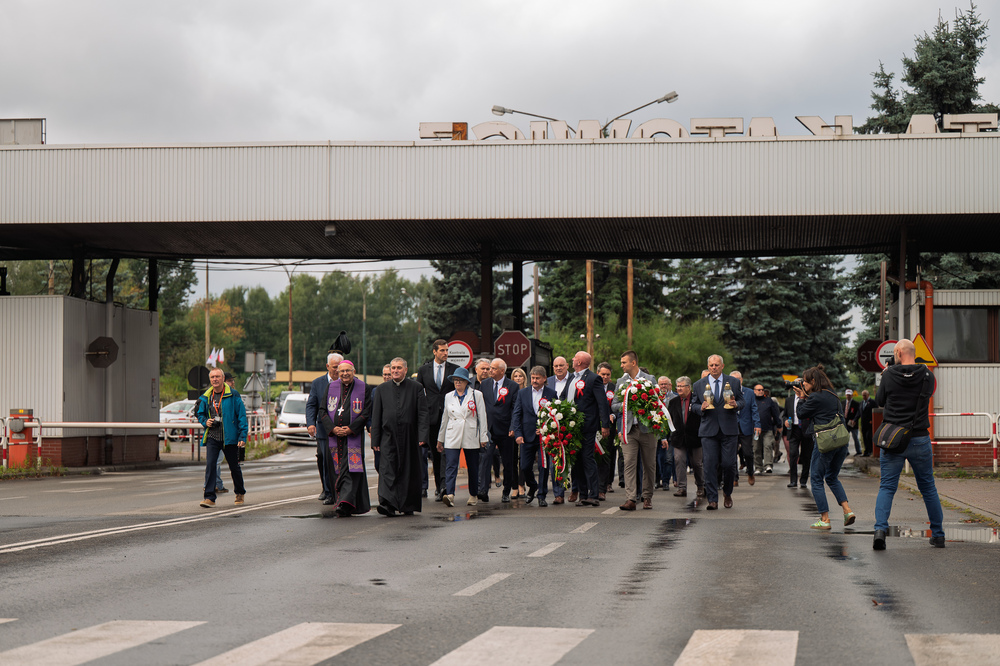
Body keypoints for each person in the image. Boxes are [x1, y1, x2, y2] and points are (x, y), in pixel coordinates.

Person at [873, 339, 944, 550]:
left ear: (897, 352)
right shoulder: (928, 375)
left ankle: (880, 532)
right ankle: (938, 535)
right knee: (928, 488)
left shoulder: (888, 375)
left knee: (887, 487)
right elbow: (926, 396)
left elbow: (879, 401)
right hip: (920, 438)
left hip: (894, 438)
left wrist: (888, 372)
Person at [794, 365, 856, 530]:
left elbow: (801, 414)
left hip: (825, 443)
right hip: (840, 442)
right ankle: (847, 510)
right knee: (832, 477)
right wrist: (806, 395)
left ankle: (825, 519)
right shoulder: (832, 394)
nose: (803, 385)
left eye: (805, 382)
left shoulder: (815, 397)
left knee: (816, 479)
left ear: (813, 381)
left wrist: (801, 398)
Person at [371, 357, 428, 516]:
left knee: (408, 471)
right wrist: (375, 439)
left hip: (410, 437)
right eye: (393, 368)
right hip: (388, 436)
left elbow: (423, 413)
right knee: (387, 470)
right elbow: (376, 415)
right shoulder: (382, 389)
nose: (395, 371)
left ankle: (407, 505)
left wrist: (423, 435)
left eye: (398, 368)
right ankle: (387, 504)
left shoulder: (416, 387)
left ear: (405, 370)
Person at [318, 360, 372, 516]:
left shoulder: (363, 388)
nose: (345, 374)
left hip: (352, 436)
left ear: (354, 371)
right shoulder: (331, 387)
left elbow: (366, 412)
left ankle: (345, 502)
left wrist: (351, 429)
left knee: (350, 469)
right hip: (335, 436)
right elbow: (322, 411)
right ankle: (342, 501)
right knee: (336, 470)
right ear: (338, 373)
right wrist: (333, 428)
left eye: (348, 371)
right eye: (341, 371)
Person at [691, 354, 744, 510]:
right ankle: (712, 499)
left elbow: (742, 401)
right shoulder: (699, 384)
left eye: (716, 365)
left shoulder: (733, 382)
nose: (713, 368)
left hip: (729, 429)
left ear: (722, 366)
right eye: (711, 365)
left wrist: (736, 404)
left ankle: (727, 493)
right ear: (708, 367)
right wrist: (700, 408)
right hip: (708, 430)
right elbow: (693, 405)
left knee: (728, 464)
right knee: (709, 465)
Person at [611, 351, 659, 511]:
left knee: (649, 464)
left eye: (624, 362)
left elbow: (656, 402)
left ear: (633, 363)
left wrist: (642, 402)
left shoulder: (650, 379)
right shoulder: (620, 381)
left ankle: (647, 497)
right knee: (629, 463)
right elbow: (614, 404)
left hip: (648, 430)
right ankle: (631, 498)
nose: (621, 365)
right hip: (629, 429)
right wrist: (628, 403)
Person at [436, 367, 489, 507]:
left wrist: (483, 436)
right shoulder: (448, 396)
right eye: (455, 380)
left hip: (471, 434)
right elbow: (444, 419)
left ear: (466, 382)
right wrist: (440, 439)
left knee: (472, 466)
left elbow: (482, 417)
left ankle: (473, 494)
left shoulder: (476, 395)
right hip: (452, 434)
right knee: (451, 465)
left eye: (460, 380)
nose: (457, 382)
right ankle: (450, 494)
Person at [196, 367, 248, 508]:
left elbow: (241, 416)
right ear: (210, 379)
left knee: (234, 467)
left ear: (223, 379)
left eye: (218, 376)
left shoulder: (233, 395)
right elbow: (200, 414)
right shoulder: (206, 396)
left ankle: (239, 492)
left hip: (230, 437)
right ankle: (209, 497)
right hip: (213, 436)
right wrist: (205, 421)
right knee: (211, 466)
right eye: (212, 377)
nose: (215, 379)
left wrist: (242, 435)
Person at [415, 339, 457, 501]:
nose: (445, 353)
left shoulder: (454, 369)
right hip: (431, 418)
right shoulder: (424, 370)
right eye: (442, 350)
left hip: (450, 417)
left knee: (448, 452)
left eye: (447, 350)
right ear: (434, 352)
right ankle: (439, 487)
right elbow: (419, 394)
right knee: (436, 454)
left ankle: (446, 486)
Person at [568, 351, 611, 507]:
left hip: (587, 425)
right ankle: (583, 494)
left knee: (587, 458)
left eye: (574, 359)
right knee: (578, 461)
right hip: (572, 427)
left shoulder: (594, 379)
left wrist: (605, 424)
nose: (572, 360)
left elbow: (602, 403)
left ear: (579, 362)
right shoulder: (572, 378)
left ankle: (594, 494)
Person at [512, 365, 558, 506]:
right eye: (533, 378)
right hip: (526, 436)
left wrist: (547, 429)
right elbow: (517, 414)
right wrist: (518, 434)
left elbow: (555, 415)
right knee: (525, 466)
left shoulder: (551, 393)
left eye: (538, 378)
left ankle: (541, 495)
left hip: (544, 438)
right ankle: (532, 486)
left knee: (543, 467)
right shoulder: (523, 393)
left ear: (544, 379)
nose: (535, 380)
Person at [480, 358, 519, 503]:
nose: (490, 371)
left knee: (508, 463)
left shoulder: (513, 386)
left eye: (493, 368)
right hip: (488, 429)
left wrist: (513, 427)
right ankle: (483, 490)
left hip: (505, 430)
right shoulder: (484, 384)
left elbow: (515, 409)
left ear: (502, 371)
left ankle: (506, 491)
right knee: (485, 459)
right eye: (490, 368)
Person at [306, 352, 342, 503]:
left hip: (341, 429)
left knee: (337, 460)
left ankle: (336, 491)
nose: (338, 370)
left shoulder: (346, 381)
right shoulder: (318, 383)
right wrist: (311, 424)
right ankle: (327, 490)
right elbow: (311, 404)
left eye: (340, 367)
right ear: (327, 366)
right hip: (323, 429)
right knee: (324, 458)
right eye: (335, 367)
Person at [667, 376, 704, 499]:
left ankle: (700, 486)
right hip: (678, 438)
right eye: (677, 386)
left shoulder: (696, 400)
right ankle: (682, 488)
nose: (678, 389)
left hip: (695, 437)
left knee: (697, 463)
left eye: (681, 386)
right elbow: (670, 420)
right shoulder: (673, 402)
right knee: (679, 460)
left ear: (688, 387)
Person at [729, 371, 760, 486]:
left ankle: (751, 472)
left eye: (738, 379)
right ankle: (734, 477)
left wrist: (757, 424)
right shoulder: (726, 392)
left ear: (741, 380)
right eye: (733, 379)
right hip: (731, 426)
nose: (736, 382)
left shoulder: (749, 392)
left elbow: (754, 409)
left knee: (748, 453)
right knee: (732, 454)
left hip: (745, 426)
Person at [783, 379, 812, 489]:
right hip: (793, 429)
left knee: (806, 456)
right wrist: (785, 421)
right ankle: (793, 480)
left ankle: (803, 480)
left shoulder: (808, 398)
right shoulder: (789, 400)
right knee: (793, 454)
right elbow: (785, 414)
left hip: (806, 429)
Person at [596, 361, 617, 499]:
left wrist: (613, 415)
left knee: (606, 456)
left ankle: (603, 486)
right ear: (598, 373)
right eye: (603, 374)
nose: (605, 377)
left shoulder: (614, 387)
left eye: (607, 375)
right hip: (594, 426)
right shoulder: (592, 385)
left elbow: (618, 406)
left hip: (609, 427)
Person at [366, 364, 392, 473]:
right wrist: (370, 427)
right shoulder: (375, 391)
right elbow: (369, 411)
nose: (386, 377)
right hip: (378, 434)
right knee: (378, 463)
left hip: (391, 433)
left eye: (388, 374)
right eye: (385, 374)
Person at [753, 384, 782, 474]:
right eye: (758, 390)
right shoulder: (752, 401)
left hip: (767, 429)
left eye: (762, 390)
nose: (761, 391)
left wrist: (779, 425)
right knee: (756, 448)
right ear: (754, 391)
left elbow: (775, 414)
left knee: (768, 446)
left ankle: (768, 465)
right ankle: (758, 467)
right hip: (755, 430)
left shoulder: (769, 401)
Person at [655, 376, 677, 490]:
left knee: (668, 459)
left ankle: (666, 481)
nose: (663, 386)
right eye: (661, 384)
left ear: (670, 385)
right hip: (657, 432)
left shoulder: (675, 398)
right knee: (656, 458)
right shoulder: (654, 397)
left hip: (670, 433)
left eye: (665, 384)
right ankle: (656, 480)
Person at [843, 389, 862, 455]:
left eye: (850, 395)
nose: (848, 396)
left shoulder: (856, 404)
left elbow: (858, 412)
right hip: (845, 423)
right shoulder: (842, 403)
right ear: (845, 395)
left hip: (853, 423)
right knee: (845, 438)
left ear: (852, 396)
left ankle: (858, 451)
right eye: (847, 395)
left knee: (855, 438)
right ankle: (846, 451)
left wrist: (855, 420)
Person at [859, 389, 875, 457]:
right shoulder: (862, 403)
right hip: (863, 423)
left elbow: (875, 411)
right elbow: (859, 413)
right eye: (862, 395)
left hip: (869, 423)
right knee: (864, 437)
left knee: (869, 436)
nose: (863, 397)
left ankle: (870, 451)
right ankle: (866, 451)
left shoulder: (872, 402)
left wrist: (872, 419)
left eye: (864, 395)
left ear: (868, 395)